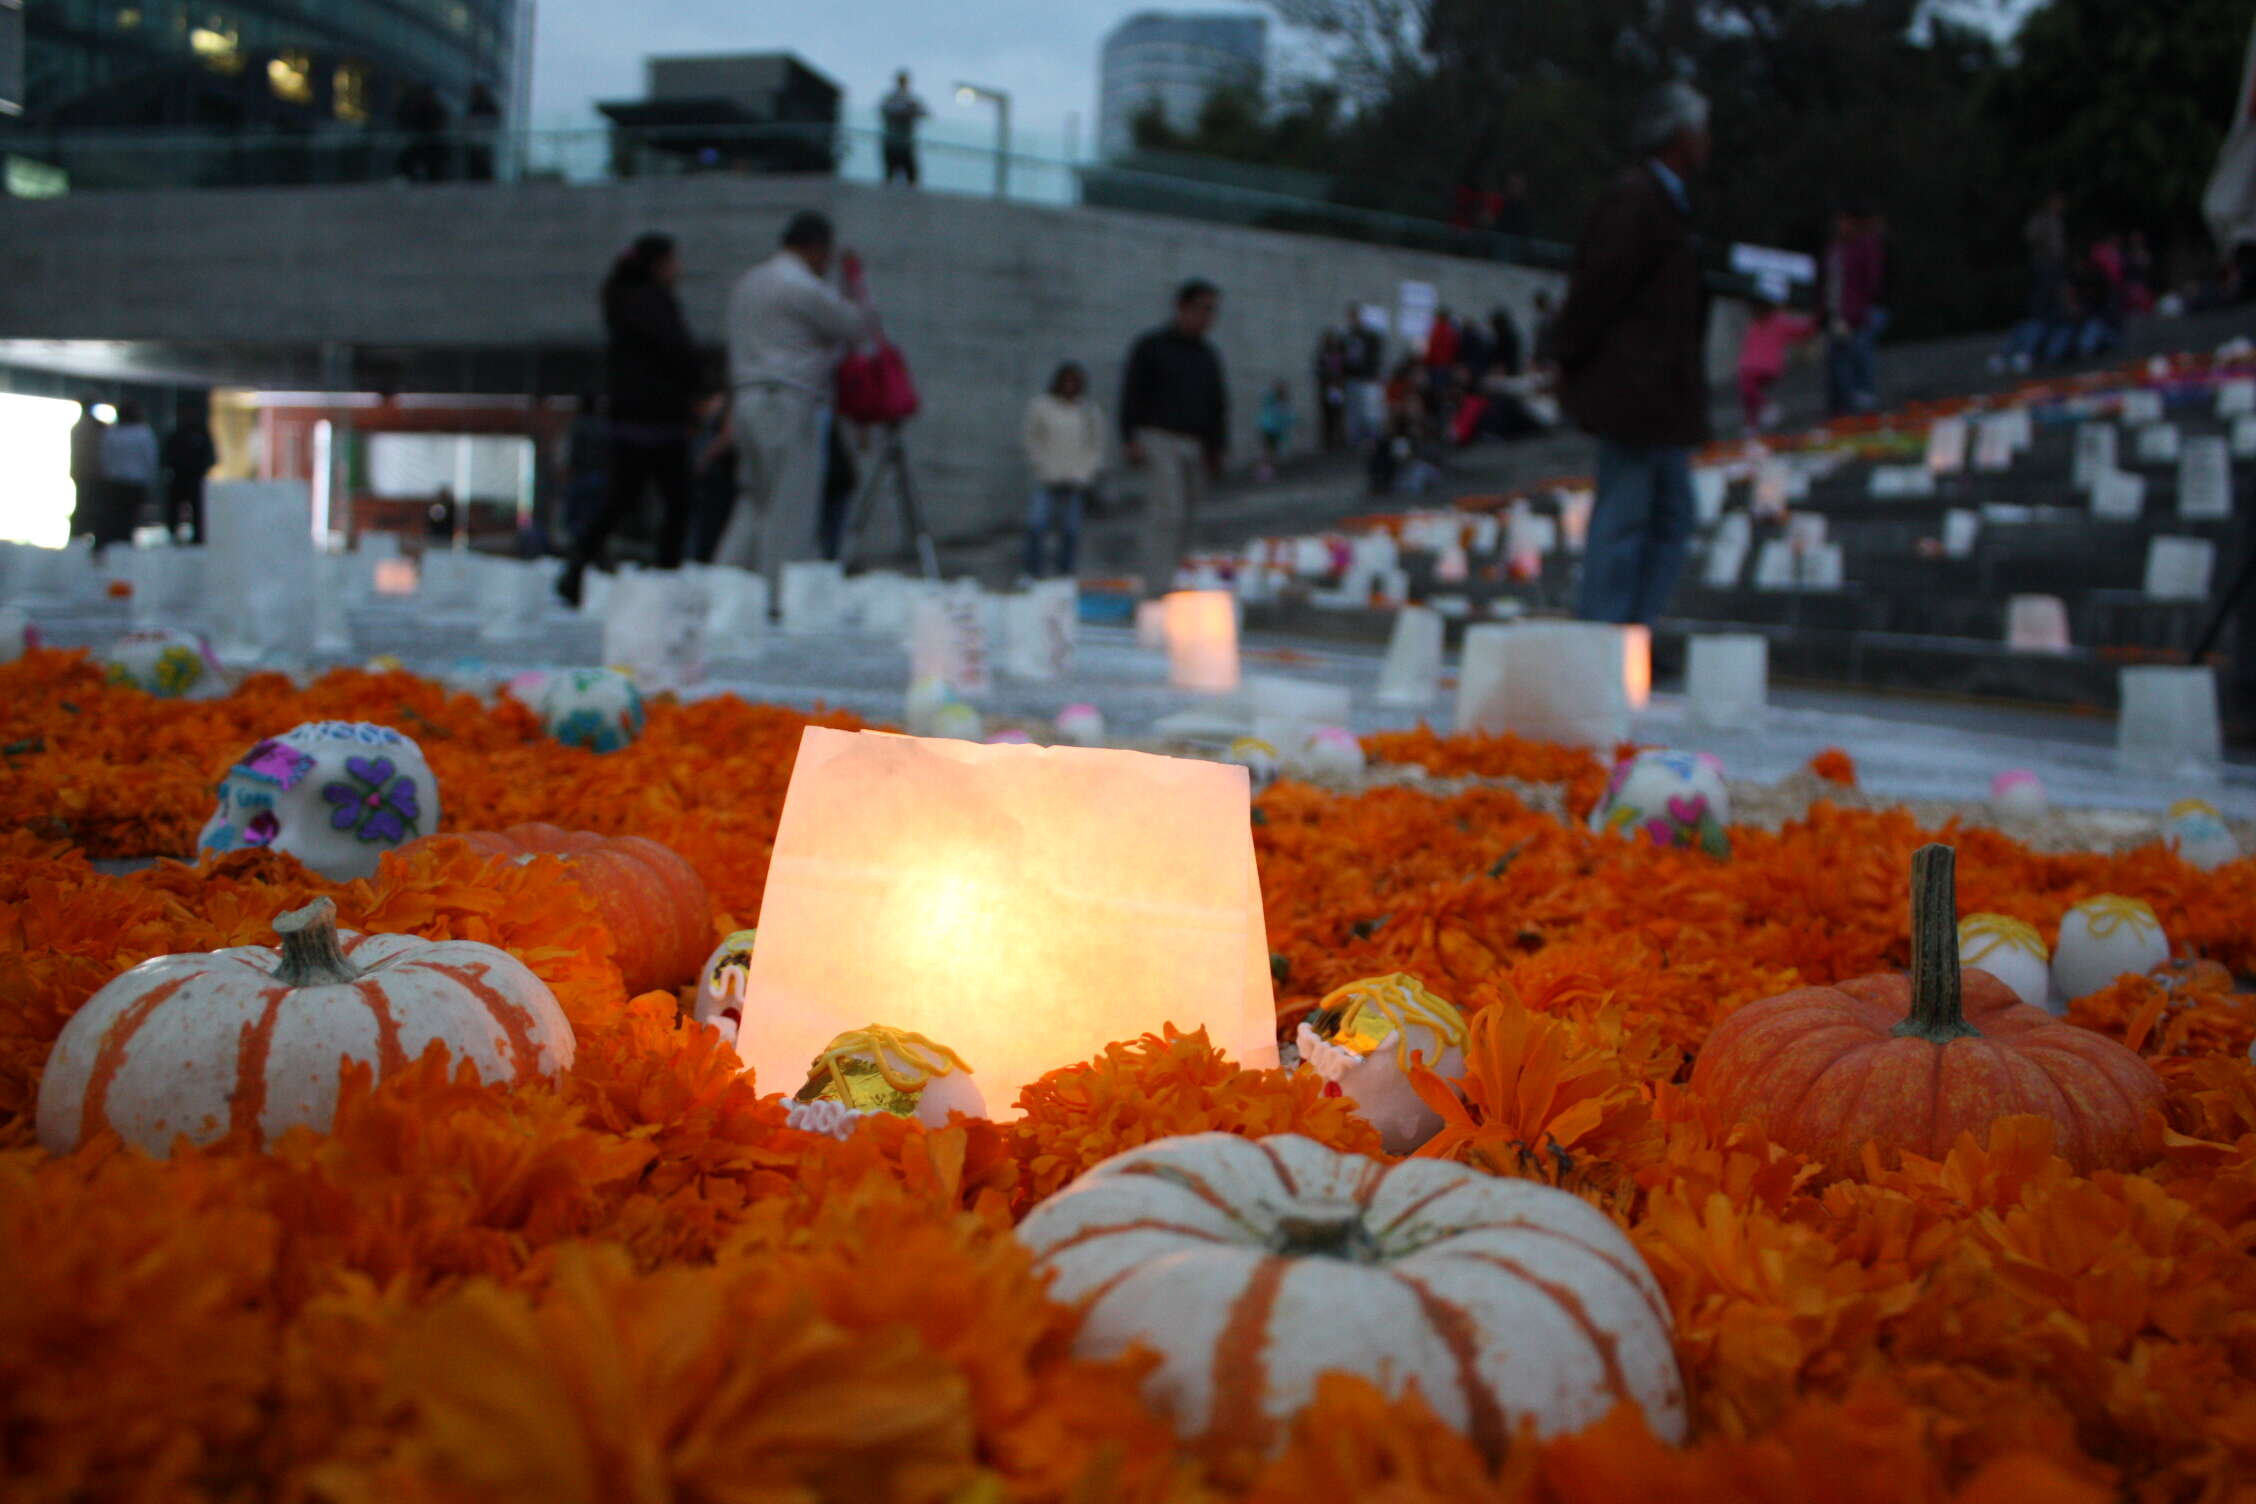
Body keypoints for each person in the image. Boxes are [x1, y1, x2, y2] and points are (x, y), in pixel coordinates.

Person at [1549, 81, 1712, 627]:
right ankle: (1604, 636)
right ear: (1680, 135)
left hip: (1659, 394)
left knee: (1671, 514)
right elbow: (1598, 286)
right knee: (1625, 516)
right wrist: (1567, 355)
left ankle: (1631, 635)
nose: (1707, 142)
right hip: (1636, 390)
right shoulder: (1638, 198)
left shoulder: (1664, 202)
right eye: (1700, 130)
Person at [718, 211, 873, 595]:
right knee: (791, 509)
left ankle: (722, 587)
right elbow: (856, 326)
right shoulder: (800, 286)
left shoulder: (749, 281)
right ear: (817, 248)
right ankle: (775, 599)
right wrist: (853, 281)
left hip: (748, 400)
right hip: (787, 400)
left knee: (754, 501)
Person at [557, 233, 703, 606]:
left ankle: (576, 568)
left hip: (633, 418)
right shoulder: (651, 301)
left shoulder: (621, 299)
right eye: (674, 262)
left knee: (620, 501)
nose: (679, 270)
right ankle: (665, 579)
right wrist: (697, 389)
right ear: (659, 265)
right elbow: (676, 351)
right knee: (675, 503)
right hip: (658, 420)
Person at [1119, 279, 1227, 597]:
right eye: (1201, 309)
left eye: (1211, 311)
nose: (1206, 317)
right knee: (1167, 513)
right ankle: (1156, 589)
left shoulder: (1208, 356)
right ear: (1183, 307)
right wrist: (1130, 436)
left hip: (1195, 443)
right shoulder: (1152, 346)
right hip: (1159, 438)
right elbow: (1132, 392)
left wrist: (1216, 449)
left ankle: (1177, 582)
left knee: (1188, 518)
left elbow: (1218, 405)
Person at [1021, 361, 1105, 579]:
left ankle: (1065, 573)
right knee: (1037, 525)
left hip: (1075, 480)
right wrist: (1040, 465)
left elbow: (1095, 444)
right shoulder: (1042, 406)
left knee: (1071, 530)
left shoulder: (1087, 410)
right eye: (1066, 381)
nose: (1069, 386)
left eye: (1074, 382)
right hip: (1047, 478)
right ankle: (1033, 572)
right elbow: (1031, 438)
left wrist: (1086, 471)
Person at [1823, 207, 1885, 414]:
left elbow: (1870, 282)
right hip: (1837, 313)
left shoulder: (1864, 246)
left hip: (1858, 314)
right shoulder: (1835, 249)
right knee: (1839, 362)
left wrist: (1858, 310)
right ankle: (1843, 407)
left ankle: (1865, 400)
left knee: (1860, 354)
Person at [1737, 297, 1819, 434]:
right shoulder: (1754, 324)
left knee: (1748, 388)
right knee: (1748, 393)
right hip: (1751, 367)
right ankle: (1752, 423)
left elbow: (1802, 329)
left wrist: (1816, 320)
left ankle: (1764, 409)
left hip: (1766, 367)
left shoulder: (1778, 321)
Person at [97, 400, 159, 554]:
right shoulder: (143, 433)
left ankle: (113, 547)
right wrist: (150, 482)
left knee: (115, 518)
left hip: (114, 482)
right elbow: (150, 460)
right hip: (134, 483)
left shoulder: (112, 433)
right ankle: (123, 547)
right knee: (128, 519)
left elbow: (105, 457)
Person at [687, 392, 737, 564]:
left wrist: (704, 459)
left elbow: (727, 435)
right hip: (715, 474)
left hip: (721, 472)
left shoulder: (726, 405)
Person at [161, 408, 216, 544]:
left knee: (196, 508)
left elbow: (211, 457)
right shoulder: (178, 434)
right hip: (180, 477)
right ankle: (173, 533)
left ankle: (198, 536)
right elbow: (166, 455)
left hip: (194, 478)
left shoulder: (199, 434)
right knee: (175, 507)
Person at [1341, 306, 1384, 448]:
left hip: (1367, 378)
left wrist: (1373, 372)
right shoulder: (1349, 335)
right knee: (1354, 410)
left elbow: (1374, 355)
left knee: (1369, 409)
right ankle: (1356, 439)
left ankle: (1371, 438)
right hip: (1353, 377)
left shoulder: (1368, 336)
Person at [69, 396, 107, 542]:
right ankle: (82, 534)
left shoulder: (78, 427)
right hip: (93, 473)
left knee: (83, 504)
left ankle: (78, 534)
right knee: (89, 506)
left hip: (82, 472)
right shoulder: (94, 427)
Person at [880, 71, 927, 186]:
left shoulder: (910, 100)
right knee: (891, 175)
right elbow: (886, 111)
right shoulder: (891, 98)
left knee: (911, 177)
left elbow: (924, 113)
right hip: (894, 142)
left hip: (904, 143)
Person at [1312, 331, 1348, 451]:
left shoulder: (1339, 355)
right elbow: (1319, 371)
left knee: (1338, 413)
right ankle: (1329, 440)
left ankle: (1339, 439)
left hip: (1337, 387)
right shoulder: (1323, 355)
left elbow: (1343, 370)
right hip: (1327, 388)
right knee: (1328, 414)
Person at [1256, 380, 1296, 480]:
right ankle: (1266, 469)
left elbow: (1263, 396)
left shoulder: (1271, 402)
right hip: (1272, 431)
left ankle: (1266, 469)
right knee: (1270, 451)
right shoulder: (1280, 404)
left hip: (1266, 429)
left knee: (1267, 450)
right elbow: (1287, 419)